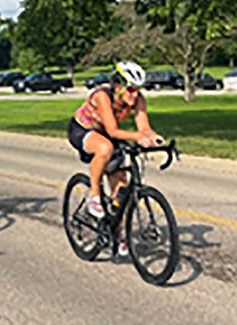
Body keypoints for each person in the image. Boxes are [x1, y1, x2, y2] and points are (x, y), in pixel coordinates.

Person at [67, 61, 164, 254]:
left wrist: (155, 138)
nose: (134, 94)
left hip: (108, 135)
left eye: (138, 89)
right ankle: (93, 194)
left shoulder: (138, 99)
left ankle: (117, 233)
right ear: (117, 86)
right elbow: (112, 130)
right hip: (83, 130)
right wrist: (139, 137)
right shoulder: (103, 96)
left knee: (121, 188)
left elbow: (144, 128)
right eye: (130, 89)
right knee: (105, 148)